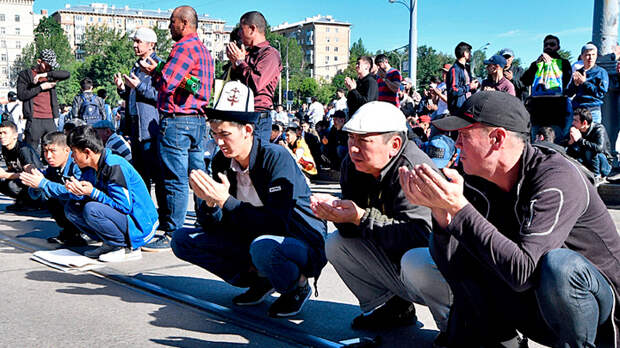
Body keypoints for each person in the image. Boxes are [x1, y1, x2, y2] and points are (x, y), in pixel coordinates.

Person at [401, 91, 620, 347]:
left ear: (497, 138)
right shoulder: (478, 179)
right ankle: (501, 342)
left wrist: (460, 209)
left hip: (602, 312)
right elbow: (453, 266)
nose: (456, 144)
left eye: (464, 135)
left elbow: (524, 272)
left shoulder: (556, 177)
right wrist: (441, 216)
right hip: (541, 305)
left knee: (560, 267)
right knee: (462, 253)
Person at [171, 81, 327, 318]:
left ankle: (297, 285)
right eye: (214, 134)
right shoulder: (222, 162)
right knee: (182, 240)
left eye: (225, 134)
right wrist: (210, 204)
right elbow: (213, 225)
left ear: (247, 130)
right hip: (252, 238)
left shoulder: (275, 157)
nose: (218, 142)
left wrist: (226, 201)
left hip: (296, 239)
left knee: (264, 247)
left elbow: (277, 223)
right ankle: (261, 280)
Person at [311, 101, 451, 340]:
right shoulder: (353, 165)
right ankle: (395, 308)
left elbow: (420, 239)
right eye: (351, 139)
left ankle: (460, 328)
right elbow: (353, 231)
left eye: (363, 141)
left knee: (416, 260)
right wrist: (338, 215)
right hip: (402, 261)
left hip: (444, 270)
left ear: (394, 145)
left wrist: (361, 217)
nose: (353, 149)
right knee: (336, 244)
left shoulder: (414, 170)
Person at [139, 5, 214, 250]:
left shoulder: (182, 48)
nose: (170, 26)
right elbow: (191, 83)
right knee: (199, 176)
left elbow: (169, 82)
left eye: (172, 22)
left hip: (177, 119)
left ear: (184, 23)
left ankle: (173, 232)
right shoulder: (203, 49)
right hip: (198, 120)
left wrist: (154, 71)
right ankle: (207, 224)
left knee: (175, 179)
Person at [64, 125, 158, 262]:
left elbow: (124, 206)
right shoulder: (90, 166)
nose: (72, 157)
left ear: (87, 152)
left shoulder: (114, 165)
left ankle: (125, 247)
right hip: (123, 218)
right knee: (72, 207)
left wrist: (93, 192)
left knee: (91, 209)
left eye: (74, 152)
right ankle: (109, 242)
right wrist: (76, 191)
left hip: (140, 223)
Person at [114, 26, 163, 206]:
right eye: (134, 41)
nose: (134, 45)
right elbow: (133, 95)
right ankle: (145, 210)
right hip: (136, 126)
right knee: (140, 173)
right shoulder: (136, 66)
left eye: (138, 41)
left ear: (151, 45)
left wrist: (138, 87)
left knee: (157, 174)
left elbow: (161, 95)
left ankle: (164, 216)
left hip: (151, 128)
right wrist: (122, 89)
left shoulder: (158, 66)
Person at [19, 131, 94, 245]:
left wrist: (43, 183)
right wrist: (35, 185)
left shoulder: (78, 165)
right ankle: (71, 231)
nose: (48, 156)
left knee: (72, 203)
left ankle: (87, 232)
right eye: (45, 151)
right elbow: (35, 195)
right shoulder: (54, 167)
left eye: (53, 151)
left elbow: (77, 193)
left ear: (66, 150)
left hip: (89, 206)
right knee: (50, 198)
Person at [227, 11, 282, 142]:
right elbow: (236, 84)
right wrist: (235, 64)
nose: (239, 33)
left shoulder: (269, 54)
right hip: (240, 113)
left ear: (252, 29)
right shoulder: (247, 53)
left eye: (241, 29)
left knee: (255, 159)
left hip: (257, 117)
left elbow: (255, 84)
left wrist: (240, 62)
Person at [16, 49, 70, 154]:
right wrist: (41, 87)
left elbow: (66, 74)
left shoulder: (50, 74)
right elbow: (21, 95)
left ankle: (52, 170)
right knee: (30, 151)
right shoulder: (25, 75)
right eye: (47, 65)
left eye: (51, 65)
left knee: (54, 148)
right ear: (39, 61)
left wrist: (44, 75)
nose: (50, 68)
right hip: (34, 118)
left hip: (50, 118)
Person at [521, 35, 573, 139]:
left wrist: (552, 66)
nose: (548, 47)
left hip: (556, 112)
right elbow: (525, 81)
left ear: (558, 47)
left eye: (552, 44)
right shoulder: (536, 64)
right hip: (537, 112)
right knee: (536, 144)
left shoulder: (564, 63)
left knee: (555, 143)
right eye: (546, 45)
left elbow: (567, 83)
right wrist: (536, 64)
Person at [0, 120, 43, 211]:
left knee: (11, 184)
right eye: (0, 133)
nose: (2, 136)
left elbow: (31, 174)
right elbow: (13, 169)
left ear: (15, 135)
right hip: (22, 180)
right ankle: (21, 202)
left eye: (5, 133)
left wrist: (5, 175)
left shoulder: (23, 149)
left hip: (36, 186)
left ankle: (33, 203)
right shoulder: (5, 148)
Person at [566, 43, 609, 124]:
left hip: (592, 110)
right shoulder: (578, 72)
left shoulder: (601, 72)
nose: (590, 58)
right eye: (587, 55)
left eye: (593, 55)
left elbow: (600, 93)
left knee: (592, 135)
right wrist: (575, 84)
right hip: (577, 110)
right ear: (582, 56)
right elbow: (570, 93)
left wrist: (584, 82)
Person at [566, 107, 612, 181]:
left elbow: (599, 148)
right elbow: (562, 145)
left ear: (584, 123)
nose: (573, 123)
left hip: (603, 165)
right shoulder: (576, 129)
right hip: (587, 162)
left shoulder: (599, 129)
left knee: (591, 150)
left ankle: (597, 177)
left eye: (575, 121)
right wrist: (570, 142)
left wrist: (580, 140)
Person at [446, 42, 479, 115]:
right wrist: (469, 86)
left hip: (468, 107)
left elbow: (468, 86)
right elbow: (454, 90)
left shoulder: (467, 68)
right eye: (469, 52)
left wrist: (475, 86)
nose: (471, 55)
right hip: (458, 110)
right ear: (465, 53)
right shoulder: (454, 70)